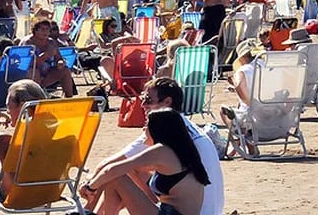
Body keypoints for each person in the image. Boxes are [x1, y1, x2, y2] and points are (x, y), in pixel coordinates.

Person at [87, 78, 224, 215]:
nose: (142, 105)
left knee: (117, 175)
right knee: (127, 173)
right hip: (206, 208)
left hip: (190, 210)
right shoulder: (182, 130)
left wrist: (90, 187)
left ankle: (85, 212)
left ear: (167, 102)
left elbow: (109, 167)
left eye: (148, 100)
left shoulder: (161, 137)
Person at [81, 108, 211, 215]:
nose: (143, 130)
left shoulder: (161, 151)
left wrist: (90, 187)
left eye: (146, 125)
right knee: (122, 173)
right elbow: (127, 169)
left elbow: (111, 169)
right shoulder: (179, 150)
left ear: (158, 130)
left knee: (116, 176)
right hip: (169, 210)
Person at [21, 19, 75, 97]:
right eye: (43, 29)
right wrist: (45, 55)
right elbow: (27, 64)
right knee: (34, 72)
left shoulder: (51, 42)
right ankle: (37, 99)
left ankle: (69, 98)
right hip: (29, 74)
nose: (46, 32)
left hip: (47, 74)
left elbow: (59, 58)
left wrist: (60, 63)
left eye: (47, 30)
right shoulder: (28, 43)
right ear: (35, 30)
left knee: (65, 70)